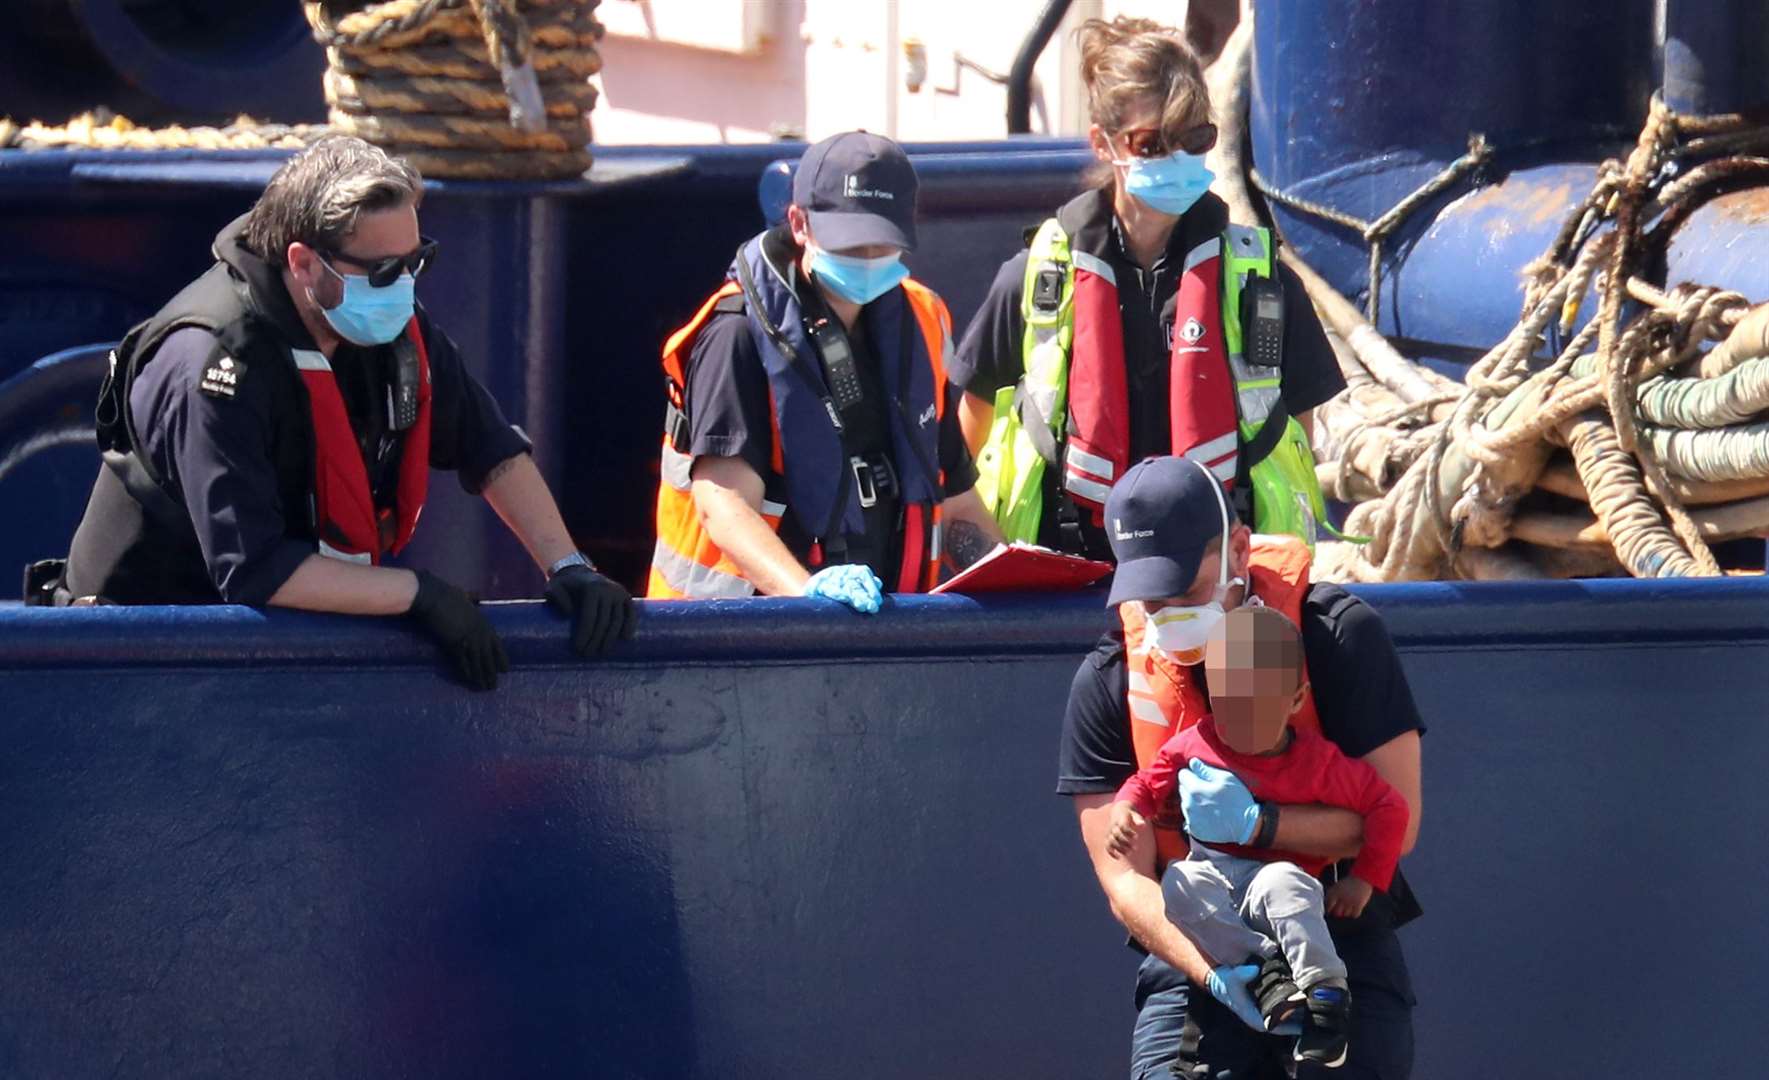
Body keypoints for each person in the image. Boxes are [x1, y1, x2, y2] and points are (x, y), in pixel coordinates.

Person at [50, 135, 632, 689]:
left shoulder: (389, 323)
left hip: (291, 632)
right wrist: (420, 595)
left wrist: (569, 566)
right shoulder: (214, 363)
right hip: (139, 651)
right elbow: (255, 570)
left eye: (416, 262)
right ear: (303, 264)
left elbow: (491, 450)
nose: (403, 286)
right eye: (382, 271)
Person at [1061, 455, 1425, 1080]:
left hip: (1335, 924)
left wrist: (1261, 826)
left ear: (1236, 549)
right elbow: (1124, 879)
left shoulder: (1336, 637)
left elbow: (1400, 820)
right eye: (1152, 596)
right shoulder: (1110, 679)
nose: (1169, 612)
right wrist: (1214, 973)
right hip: (1197, 945)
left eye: (1187, 589)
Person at [951, 16, 1343, 561]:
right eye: (1152, 143)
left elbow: (1291, 440)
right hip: (1071, 576)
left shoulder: (1263, 284)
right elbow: (964, 438)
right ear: (1104, 144)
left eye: (1196, 138)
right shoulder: (1034, 280)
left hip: (1220, 582)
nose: (1179, 159)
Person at [647, 131, 1002, 611]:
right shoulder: (735, 335)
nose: (869, 262)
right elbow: (723, 509)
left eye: (883, 245)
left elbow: (956, 499)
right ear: (799, 223)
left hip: (883, 634)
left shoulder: (920, 321)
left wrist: (1016, 575)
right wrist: (808, 599)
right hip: (732, 644)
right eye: (852, 246)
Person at [1107, 604, 1411, 1071]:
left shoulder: (1318, 763)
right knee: (1180, 885)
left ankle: (1326, 997)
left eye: (1258, 704)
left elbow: (1391, 809)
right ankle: (1264, 973)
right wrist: (1126, 811)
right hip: (1218, 887)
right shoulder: (1195, 742)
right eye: (1230, 703)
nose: (1241, 720)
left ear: (1295, 700)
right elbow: (1147, 785)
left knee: (1283, 885)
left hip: (1282, 885)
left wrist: (1364, 880)